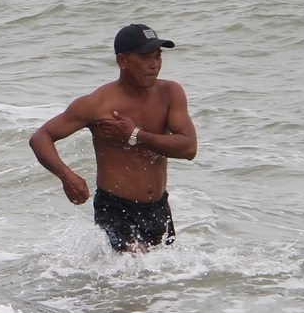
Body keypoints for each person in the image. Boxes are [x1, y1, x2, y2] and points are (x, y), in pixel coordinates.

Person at [29, 24, 197, 251]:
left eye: (158, 57)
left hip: (158, 209)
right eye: (146, 58)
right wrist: (67, 177)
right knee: (134, 261)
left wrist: (135, 134)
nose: (154, 65)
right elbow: (41, 137)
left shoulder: (170, 94)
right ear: (122, 61)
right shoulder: (98, 104)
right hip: (115, 209)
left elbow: (188, 148)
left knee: (160, 279)